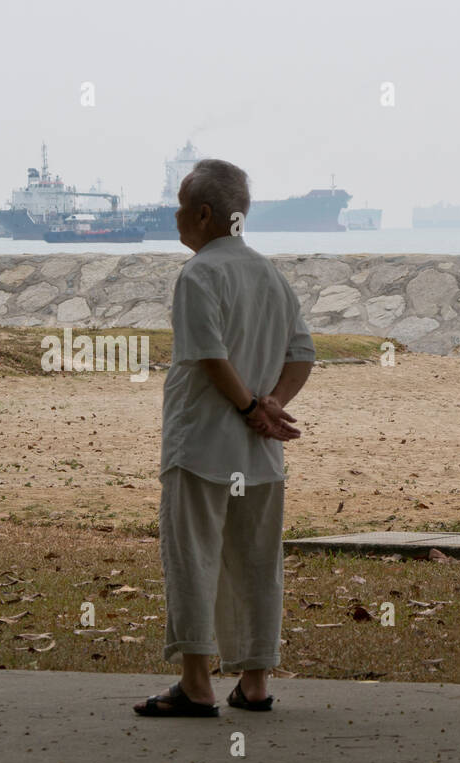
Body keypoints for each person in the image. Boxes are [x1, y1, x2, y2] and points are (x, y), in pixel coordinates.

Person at [134, 159, 315, 717]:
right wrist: (272, 406)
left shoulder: (199, 275)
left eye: (181, 207)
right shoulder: (270, 275)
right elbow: (301, 354)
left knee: (194, 558)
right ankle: (255, 682)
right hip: (260, 455)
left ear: (205, 214)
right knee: (257, 561)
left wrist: (248, 408)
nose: (175, 216)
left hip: (203, 446)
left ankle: (196, 684)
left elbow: (209, 355)